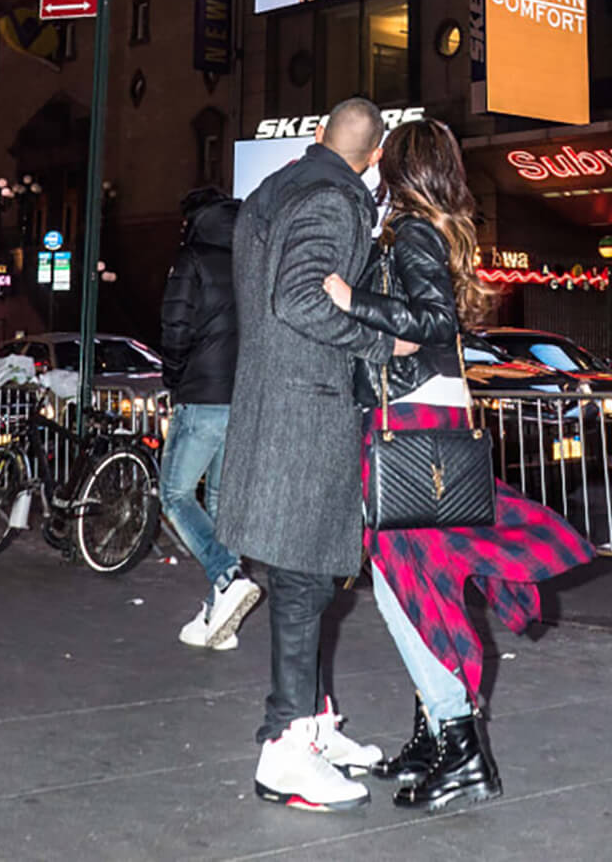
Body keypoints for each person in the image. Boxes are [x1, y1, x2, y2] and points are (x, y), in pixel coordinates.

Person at [323, 117, 595, 815]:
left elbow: (431, 320)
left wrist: (352, 298)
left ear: (398, 171)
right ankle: (435, 735)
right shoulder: (423, 229)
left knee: (409, 585)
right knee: (414, 579)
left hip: (414, 421)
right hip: (429, 416)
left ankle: (461, 748)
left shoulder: (412, 231)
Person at [216, 97, 413, 813]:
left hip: (273, 402)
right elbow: (299, 300)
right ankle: (286, 748)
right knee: (303, 585)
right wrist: (380, 340)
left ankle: (312, 725)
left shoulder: (276, 188)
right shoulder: (337, 200)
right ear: (374, 157)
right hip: (307, 409)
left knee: (305, 580)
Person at [159, 186, 260, 651]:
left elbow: (176, 325)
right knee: (222, 504)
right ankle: (221, 620)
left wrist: (176, 377)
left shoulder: (191, 257)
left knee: (175, 493)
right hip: (245, 395)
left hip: (202, 392)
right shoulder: (250, 258)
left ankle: (226, 575)